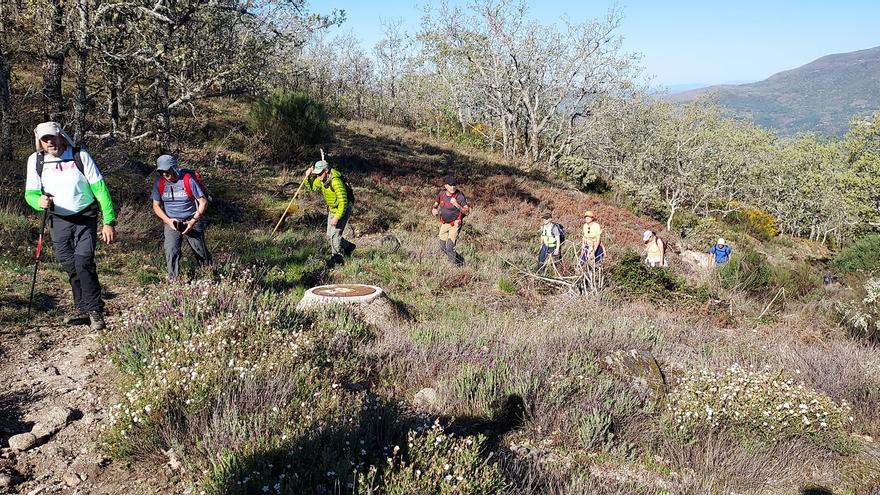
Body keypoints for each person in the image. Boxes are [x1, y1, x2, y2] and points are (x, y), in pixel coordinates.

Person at [24, 122, 116, 330]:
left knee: (84, 262)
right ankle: (83, 308)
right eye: (45, 139)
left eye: (52, 137)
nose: (50, 142)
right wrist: (38, 201)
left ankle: (95, 312)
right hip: (58, 219)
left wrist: (108, 222)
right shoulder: (36, 160)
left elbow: (100, 189)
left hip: (85, 216)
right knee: (70, 265)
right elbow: (31, 193)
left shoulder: (79, 156)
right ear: (40, 142)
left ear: (61, 136)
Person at [151, 155, 212, 278]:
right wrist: (168, 221)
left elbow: (203, 202)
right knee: (171, 251)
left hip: (192, 219)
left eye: (167, 170)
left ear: (174, 167)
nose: (164, 174)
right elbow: (156, 206)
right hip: (171, 221)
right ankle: (174, 281)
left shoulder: (188, 180)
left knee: (200, 251)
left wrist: (192, 221)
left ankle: (209, 276)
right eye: (161, 171)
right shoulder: (159, 183)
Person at [305, 158, 354, 264]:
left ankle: (336, 259)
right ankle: (348, 246)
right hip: (333, 209)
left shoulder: (336, 182)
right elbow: (312, 189)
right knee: (329, 235)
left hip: (343, 208)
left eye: (320, 173)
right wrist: (307, 177)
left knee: (335, 235)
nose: (318, 176)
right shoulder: (321, 180)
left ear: (326, 171)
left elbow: (343, 202)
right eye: (317, 174)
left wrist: (337, 217)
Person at [431, 175, 470, 265]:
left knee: (449, 248)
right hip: (444, 224)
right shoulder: (441, 194)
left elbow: (467, 211)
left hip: (455, 224)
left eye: (454, 185)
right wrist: (434, 209)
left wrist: (457, 205)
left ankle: (455, 268)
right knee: (443, 247)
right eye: (450, 185)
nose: (453, 187)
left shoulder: (459, 196)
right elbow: (435, 204)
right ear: (446, 186)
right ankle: (460, 261)